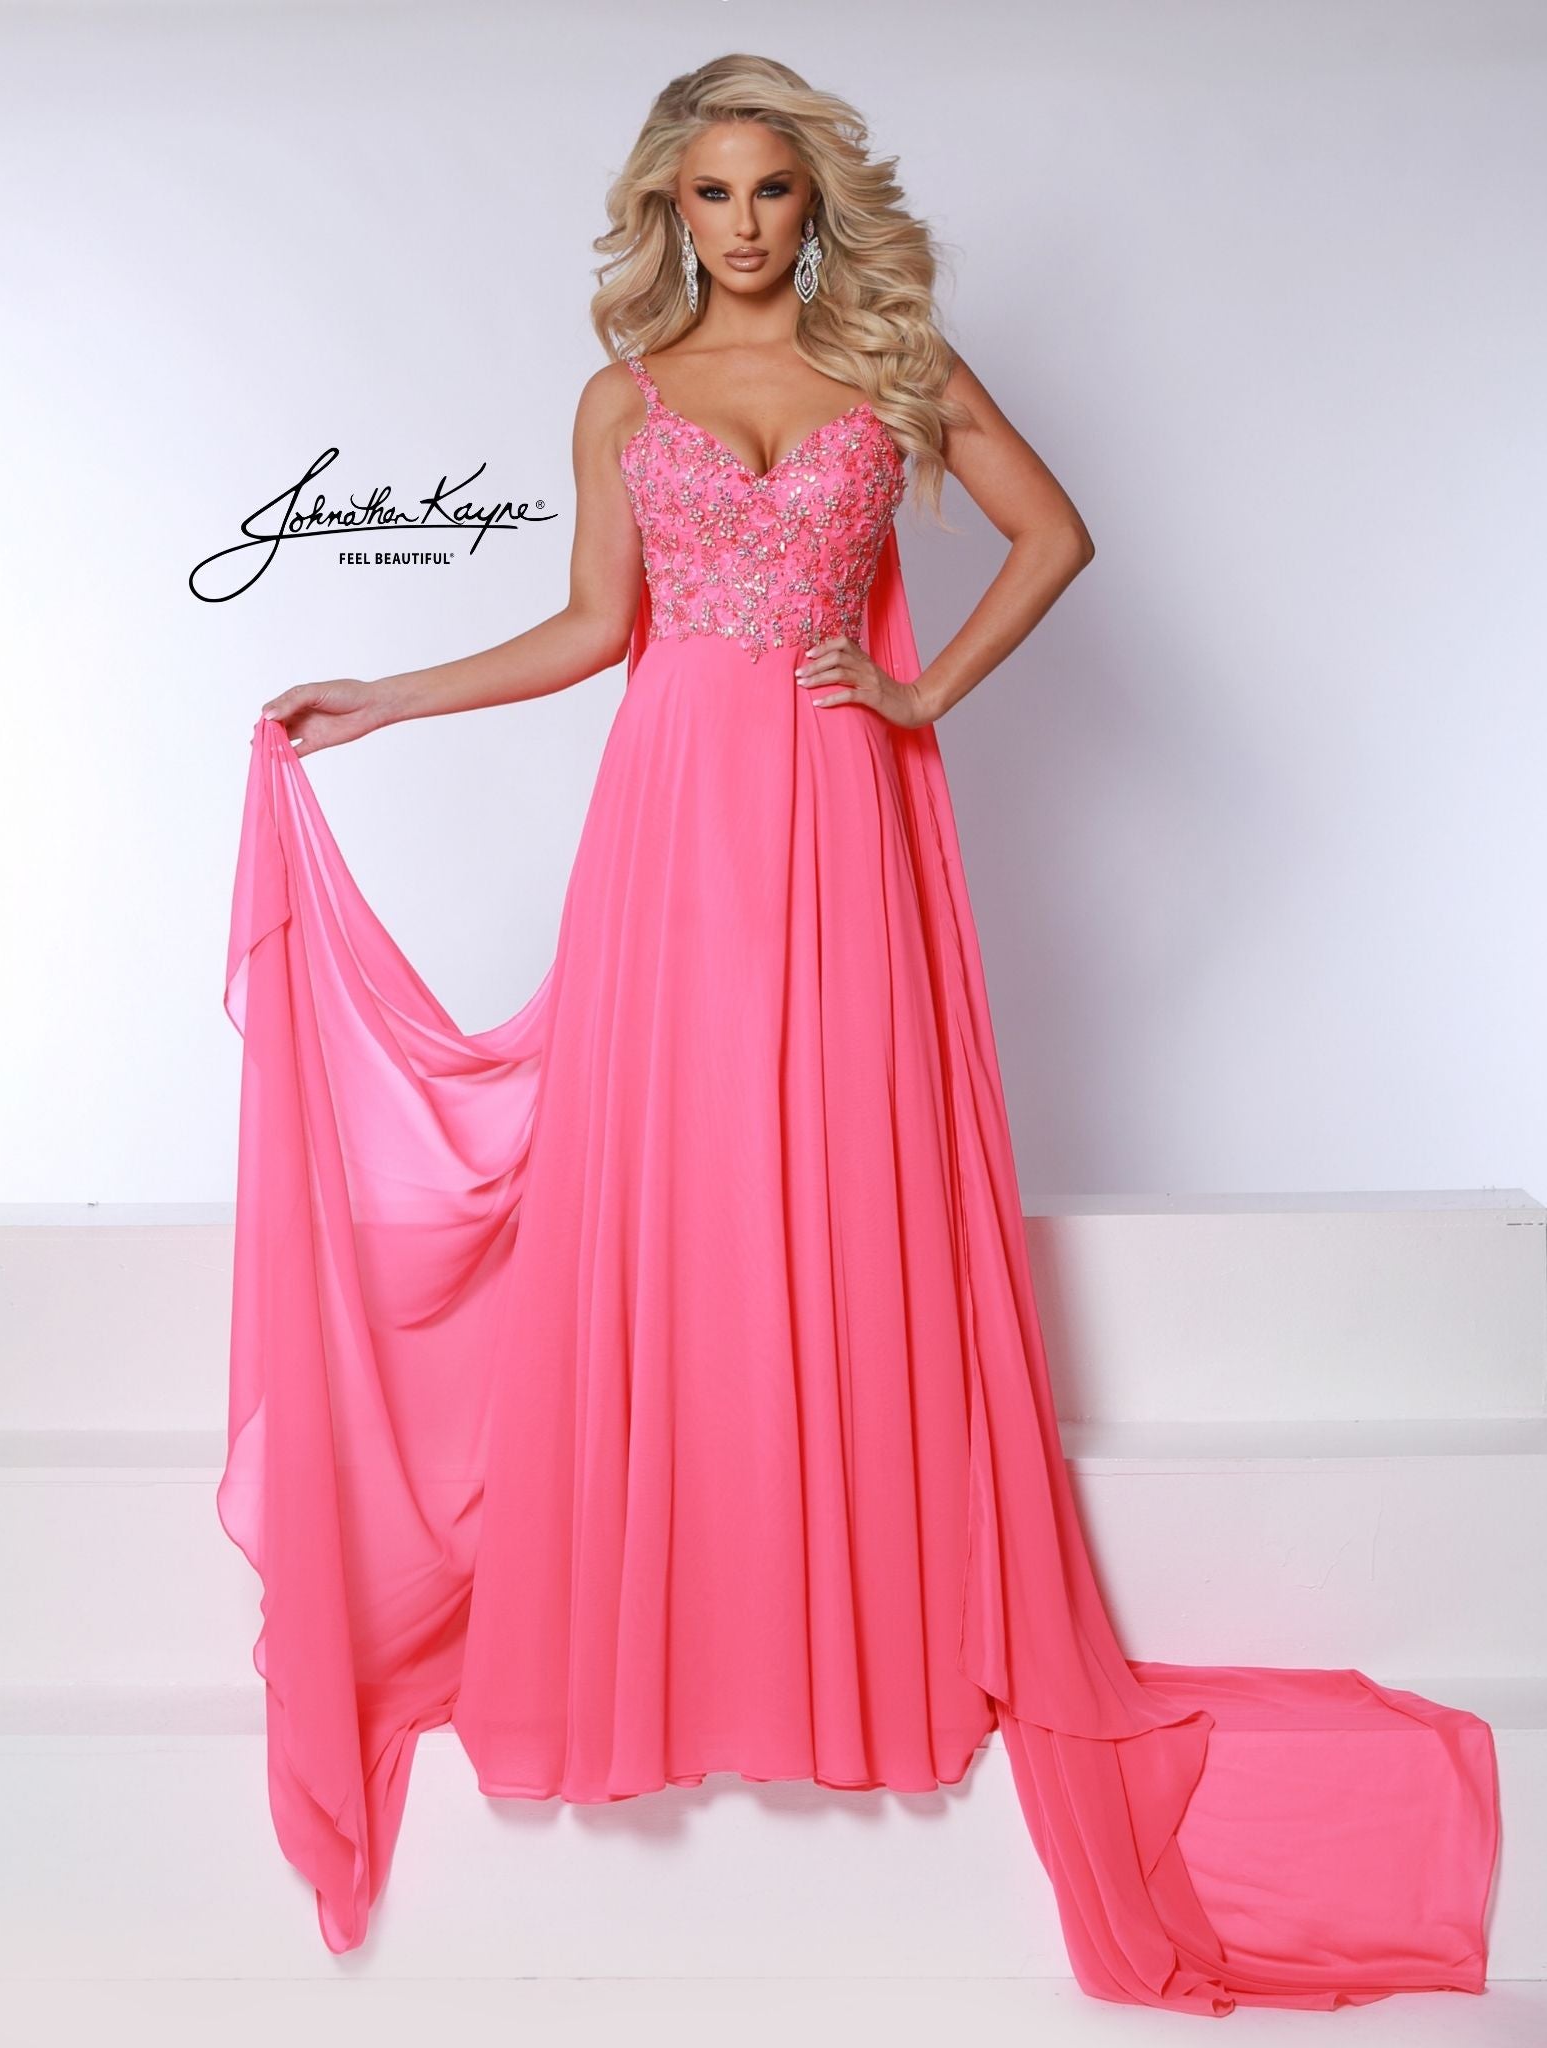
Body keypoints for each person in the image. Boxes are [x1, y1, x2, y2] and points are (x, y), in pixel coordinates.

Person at [225, 53, 1500, 2009]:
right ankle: (677, 1616)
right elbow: (593, 630)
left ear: (810, 204)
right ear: (667, 211)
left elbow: (1052, 536)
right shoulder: (622, 394)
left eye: (769, 190)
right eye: (709, 194)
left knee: (828, 1174)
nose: (742, 223)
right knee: (672, 1183)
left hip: (837, 809)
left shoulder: (890, 369)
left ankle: (841, 1626)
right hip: (667, 817)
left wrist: (919, 698)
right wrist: (383, 698)